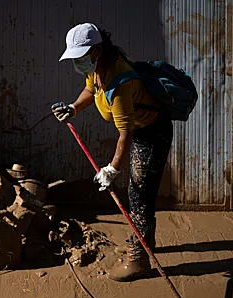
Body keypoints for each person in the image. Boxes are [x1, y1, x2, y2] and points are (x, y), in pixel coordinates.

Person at [52, 23, 173, 282]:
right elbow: (89, 90)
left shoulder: (119, 83)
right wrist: (73, 108)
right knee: (139, 190)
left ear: (96, 50)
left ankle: (139, 260)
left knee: (139, 191)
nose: (77, 63)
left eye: (80, 57)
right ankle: (145, 240)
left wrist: (112, 169)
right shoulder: (99, 67)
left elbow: (125, 133)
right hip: (140, 126)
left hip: (152, 130)